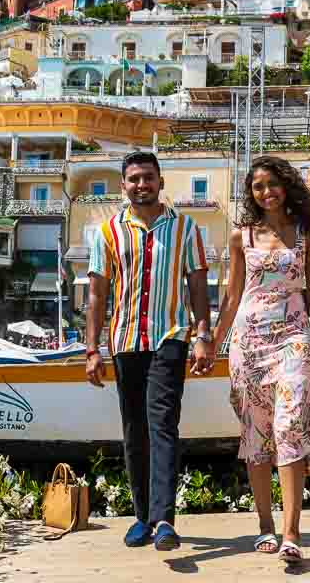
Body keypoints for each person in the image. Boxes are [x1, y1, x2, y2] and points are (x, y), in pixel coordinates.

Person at [203, 156, 310, 564]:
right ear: (251, 193)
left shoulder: (307, 233)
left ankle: (292, 532)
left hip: (293, 338)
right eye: (258, 187)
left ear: (286, 185)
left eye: (272, 184)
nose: (266, 192)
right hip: (249, 341)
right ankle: (265, 526)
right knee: (256, 434)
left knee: (289, 424)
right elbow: (232, 296)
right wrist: (212, 343)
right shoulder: (242, 236)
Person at [86, 151, 211, 552]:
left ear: (160, 182)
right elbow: (97, 294)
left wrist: (203, 333)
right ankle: (141, 516)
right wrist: (92, 349)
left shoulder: (186, 228)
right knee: (133, 429)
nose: (142, 185)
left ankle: (164, 521)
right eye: (135, 179)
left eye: (149, 178)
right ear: (124, 185)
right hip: (125, 340)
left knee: (162, 425)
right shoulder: (106, 232)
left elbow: (197, 286)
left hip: (170, 336)